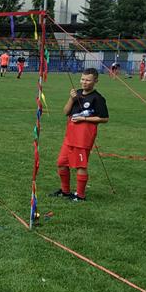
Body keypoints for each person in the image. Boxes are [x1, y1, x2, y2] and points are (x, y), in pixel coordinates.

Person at [51, 68, 109, 202]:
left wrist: (84, 119)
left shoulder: (98, 98)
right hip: (70, 136)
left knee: (80, 166)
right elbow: (66, 112)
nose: (84, 82)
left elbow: (104, 118)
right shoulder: (76, 93)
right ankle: (65, 191)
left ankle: (80, 195)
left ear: (95, 81)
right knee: (61, 163)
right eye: (83, 79)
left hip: (83, 137)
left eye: (88, 80)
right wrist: (72, 99)